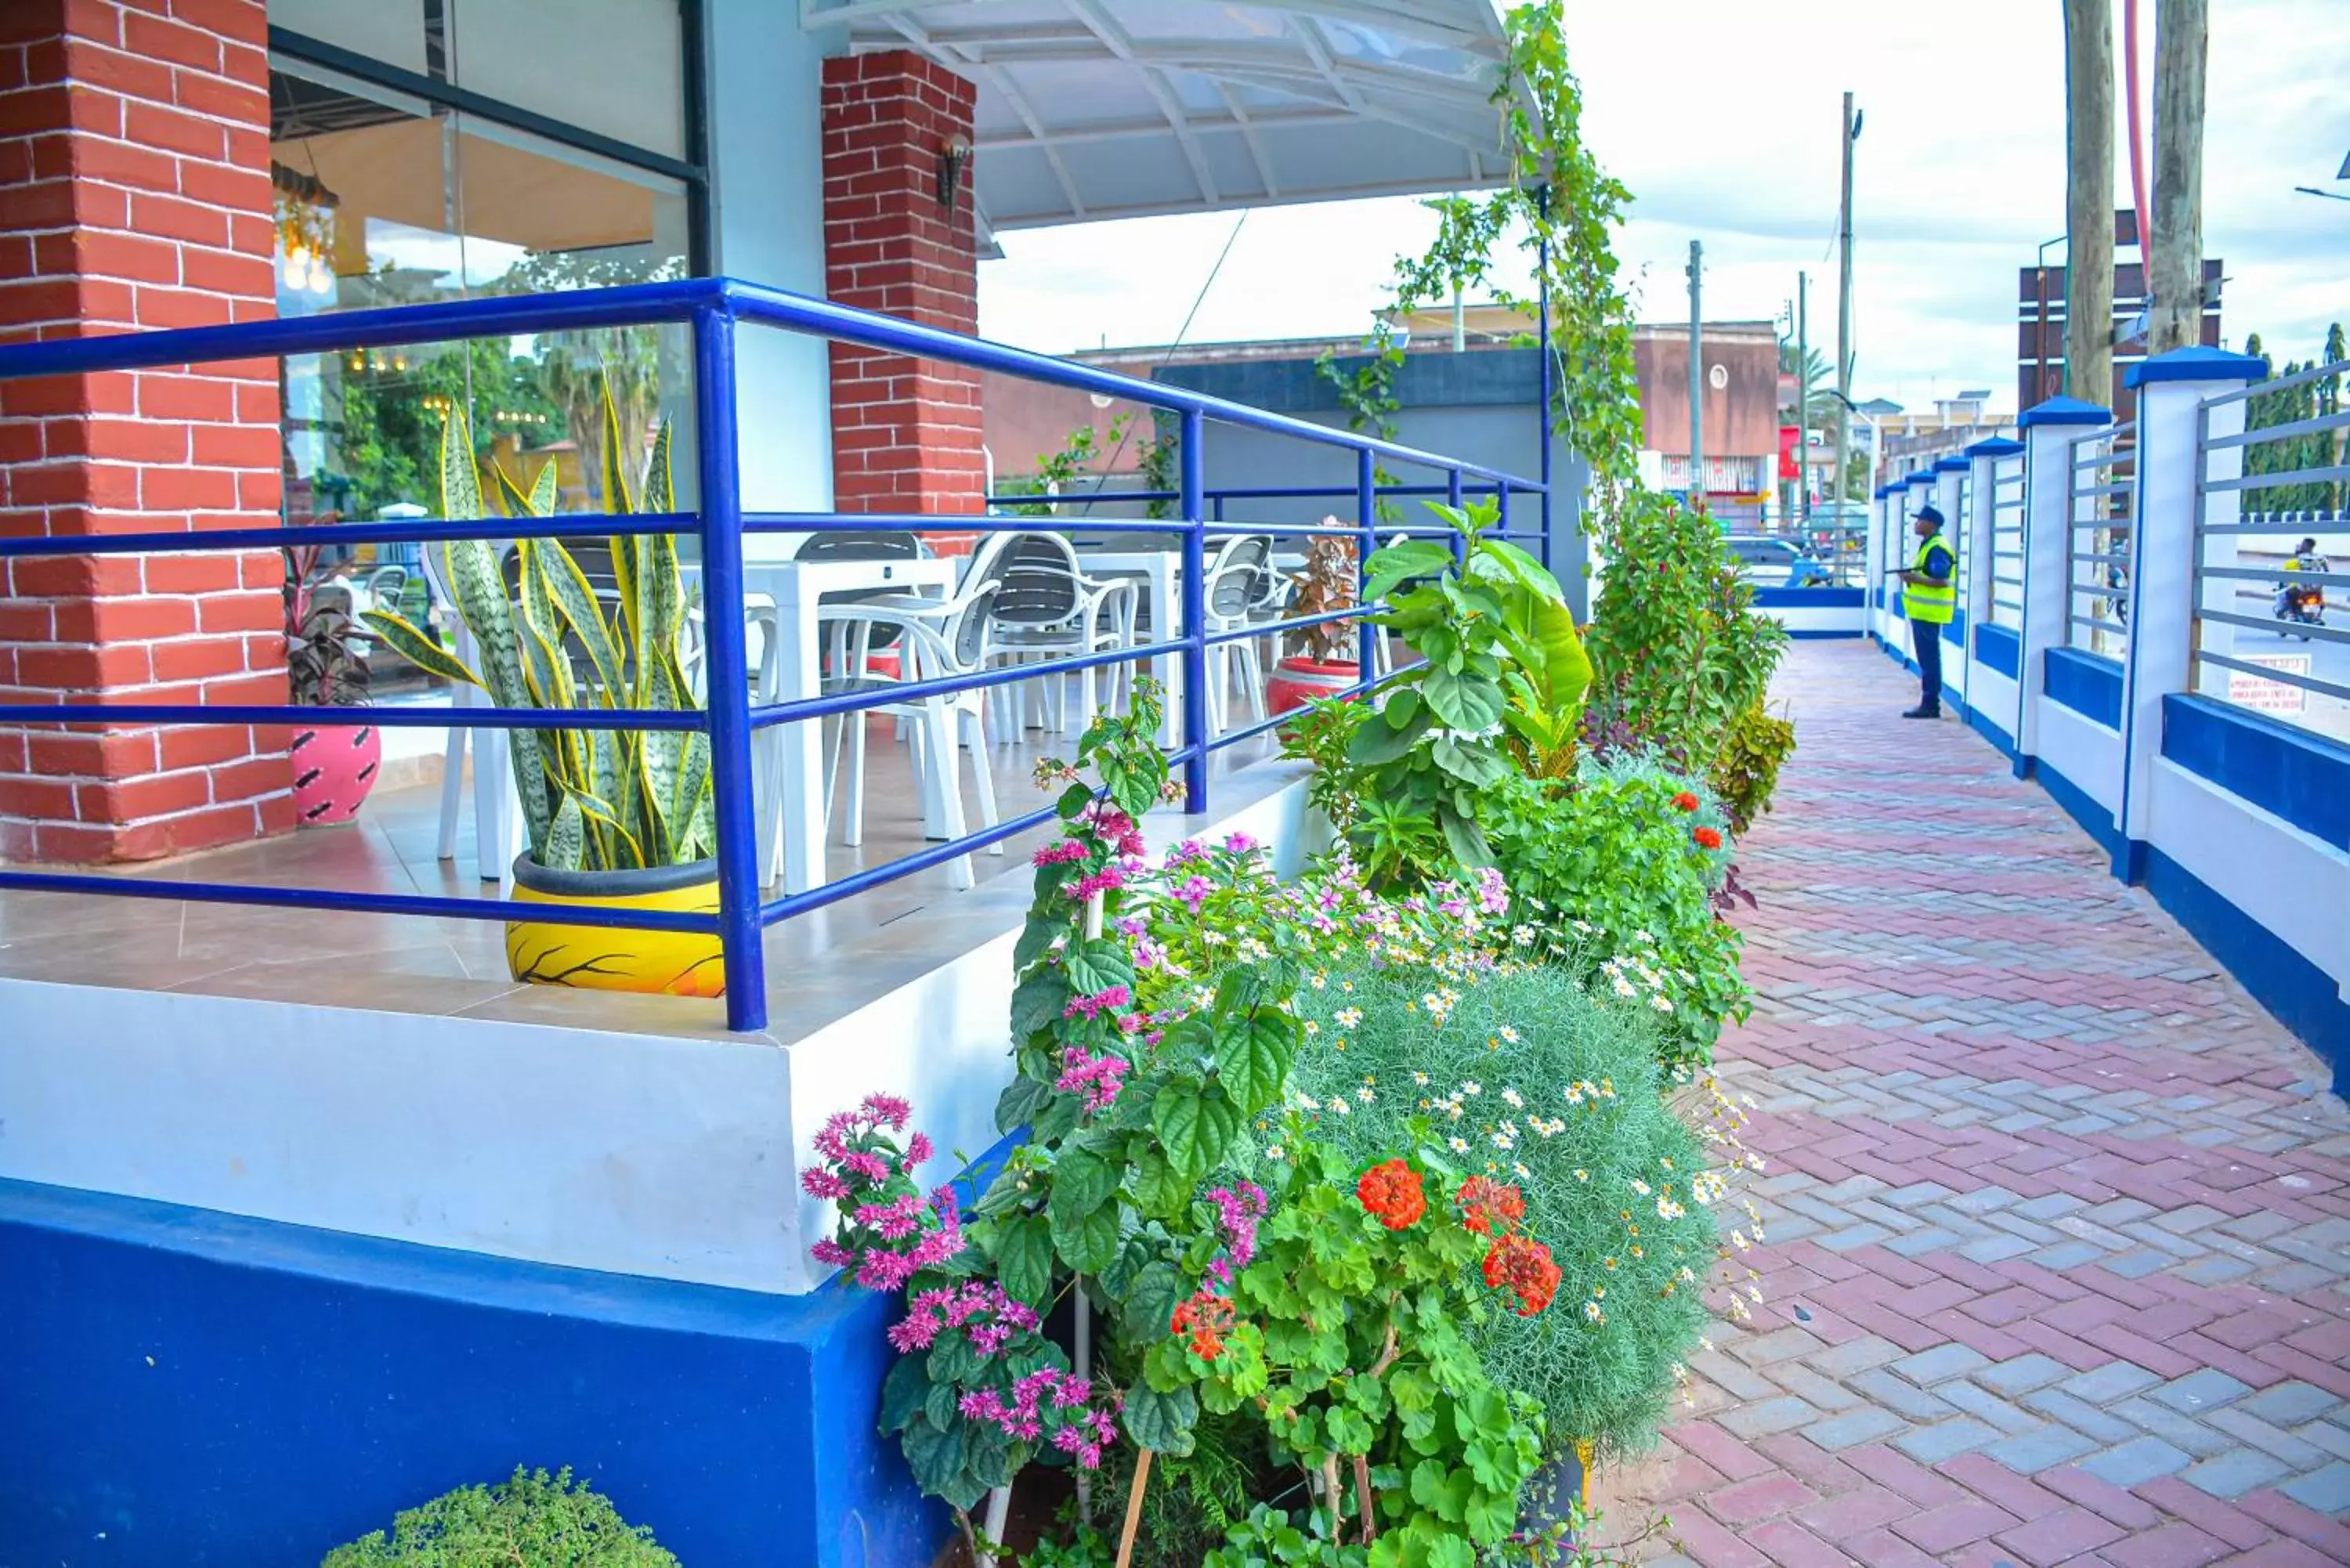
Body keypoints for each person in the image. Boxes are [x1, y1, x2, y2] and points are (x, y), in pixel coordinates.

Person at [1896, 503, 1956, 717]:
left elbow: (1942, 579)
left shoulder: (1937, 547)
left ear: (1930, 524)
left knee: (1929, 660)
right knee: (1927, 659)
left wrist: (1913, 578)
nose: (1916, 523)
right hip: (1923, 613)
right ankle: (1929, 703)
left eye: (1920, 520)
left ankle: (1930, 705)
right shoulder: (1930, 544)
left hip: (1929, 614)